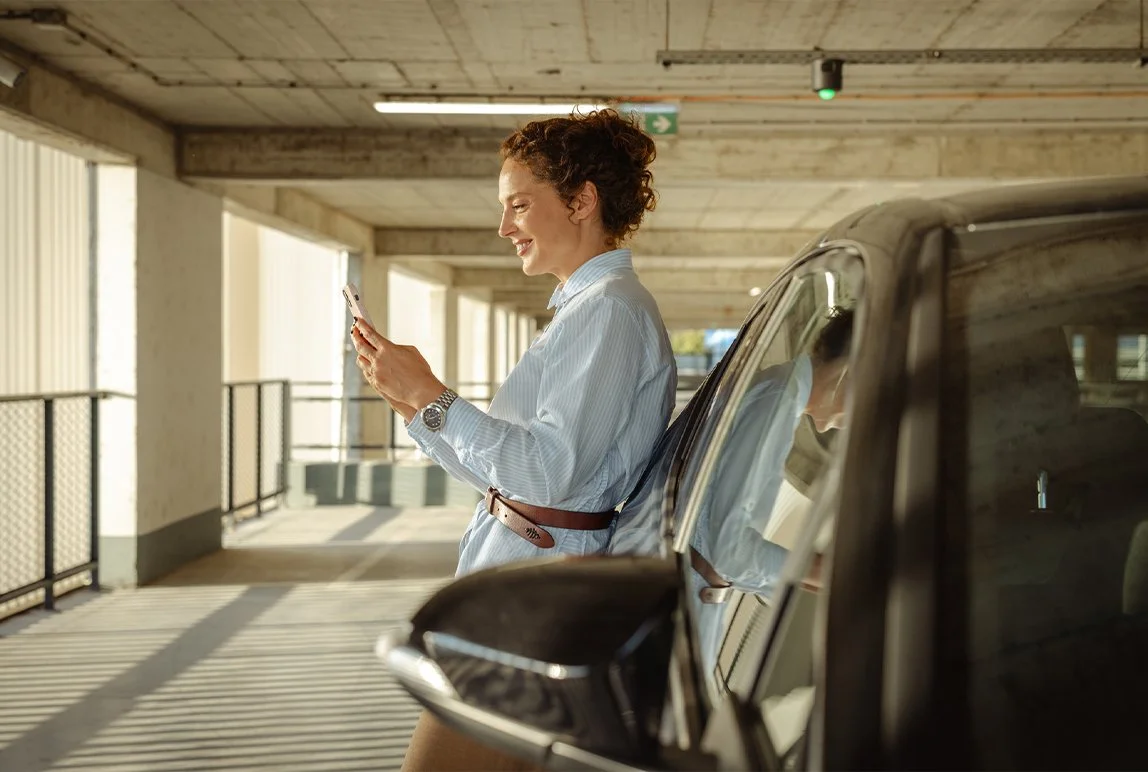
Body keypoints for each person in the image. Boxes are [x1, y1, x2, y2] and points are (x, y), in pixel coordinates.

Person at [351, 109, 676, 771]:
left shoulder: (610, 308)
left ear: (582, 200)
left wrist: (437, 398)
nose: (505, 228)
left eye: (520, 206)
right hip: (525, 574)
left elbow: (549, 476)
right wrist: (417, 406)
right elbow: (511, 479)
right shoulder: (584, 310)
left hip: (540, 587)